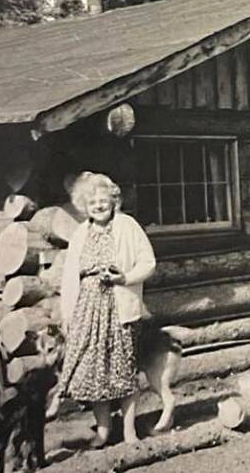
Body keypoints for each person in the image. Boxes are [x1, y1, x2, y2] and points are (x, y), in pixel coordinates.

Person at [50, 172, 156, 447]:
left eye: (104, 200)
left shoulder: (128, 226)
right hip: (87, 310)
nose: (98, 205)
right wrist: (67, 314)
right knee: (95, 372)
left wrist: (125, 278)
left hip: (120, 307)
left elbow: (149, 263)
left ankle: (130, 431)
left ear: (114, 201)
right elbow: (71, 277)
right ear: (85, 205)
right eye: (93, 201)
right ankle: (103, 432)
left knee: (124, 371)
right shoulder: (80, 234)